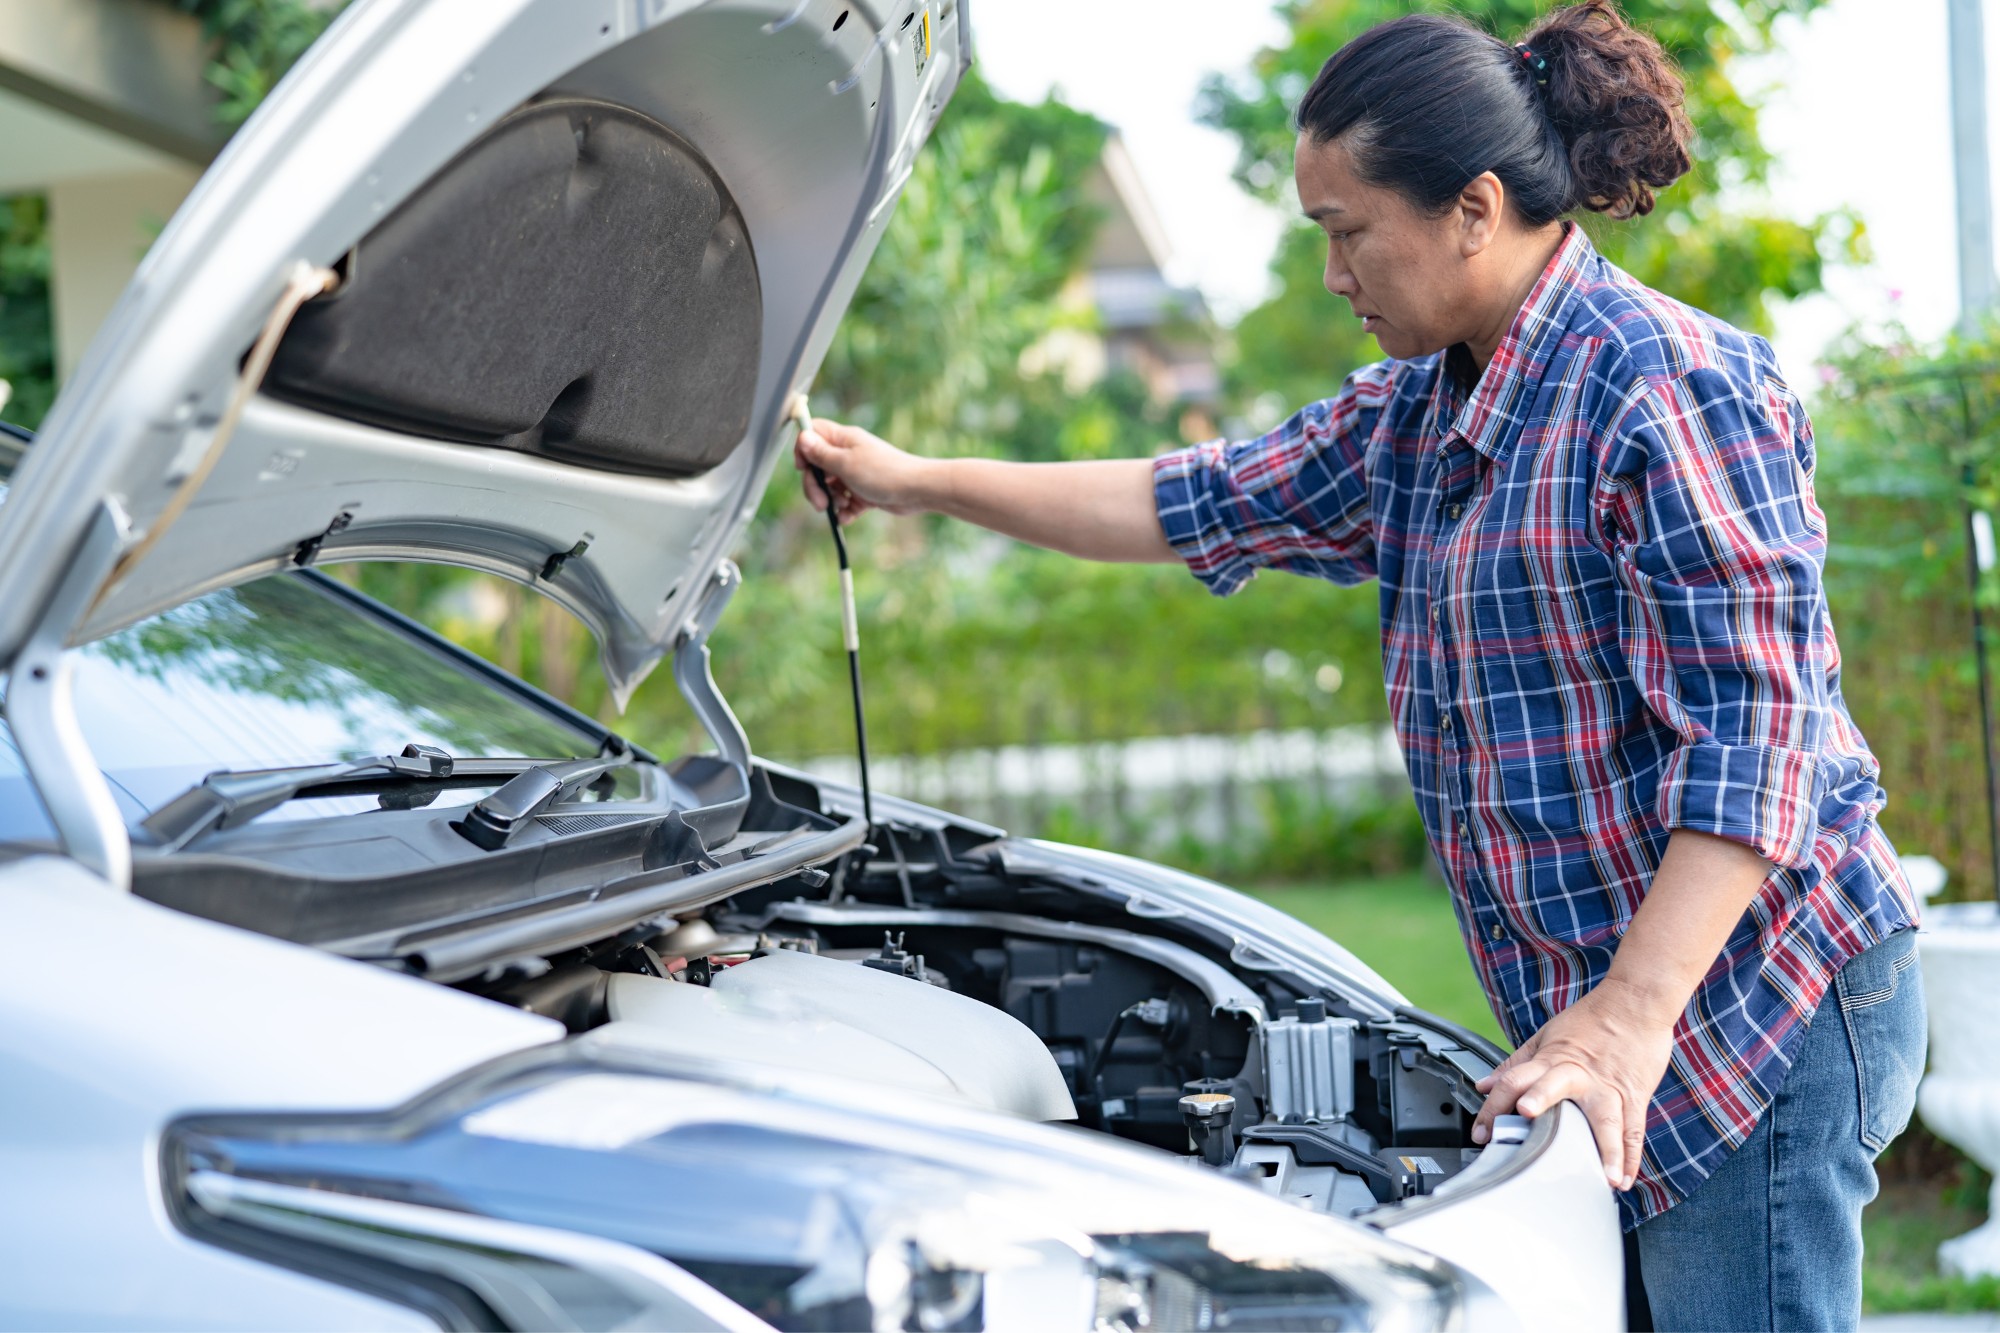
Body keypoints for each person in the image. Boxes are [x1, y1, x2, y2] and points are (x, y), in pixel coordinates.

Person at [793, 3, 1924, 1328]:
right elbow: (1189, 499)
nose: (1334, 273)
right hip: (1619, 1018)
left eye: (1346, 230)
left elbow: (1761, 744)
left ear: (1472, 209)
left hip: (1749, 1008)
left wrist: (1628, 1018)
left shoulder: (1666, 388)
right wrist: (913, 482)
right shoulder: (1415, 410)